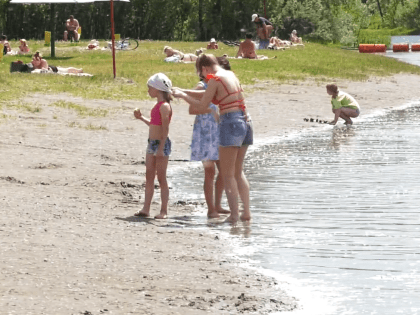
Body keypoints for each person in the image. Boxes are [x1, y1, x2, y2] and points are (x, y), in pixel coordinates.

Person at [172, 54, 253, 223]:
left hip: (230, 122)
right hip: (245, 122)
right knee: (238, 172)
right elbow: (205, 94)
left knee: (228, 174)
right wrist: (182, 90)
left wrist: (181, 96)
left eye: (202, 73)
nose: (204, 77)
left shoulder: (215, 78)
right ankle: (246, 213)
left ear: (204, 68)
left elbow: (202, 105)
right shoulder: (230, 75)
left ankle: (234, 216)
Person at [174, 57, 232, 218]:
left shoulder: (220, 85)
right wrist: (210, 111)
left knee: (223, 171)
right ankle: (211, 208)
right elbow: (192, 110)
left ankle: (218, 204)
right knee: (209, 172)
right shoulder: (202, 86)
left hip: (219, 132)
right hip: (205, 133)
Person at [133, 73, 173, 219]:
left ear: (158, 89)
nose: (148, 91)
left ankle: (164, 210)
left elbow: (165, 129)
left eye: (150, 88)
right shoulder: (157, 106)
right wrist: (141, 118)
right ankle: (146, 208)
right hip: (152, 142)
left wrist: (162, 147)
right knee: (149, 175)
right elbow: (154, 124)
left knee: (161, 177)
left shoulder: (164, 107)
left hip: (161, 143)